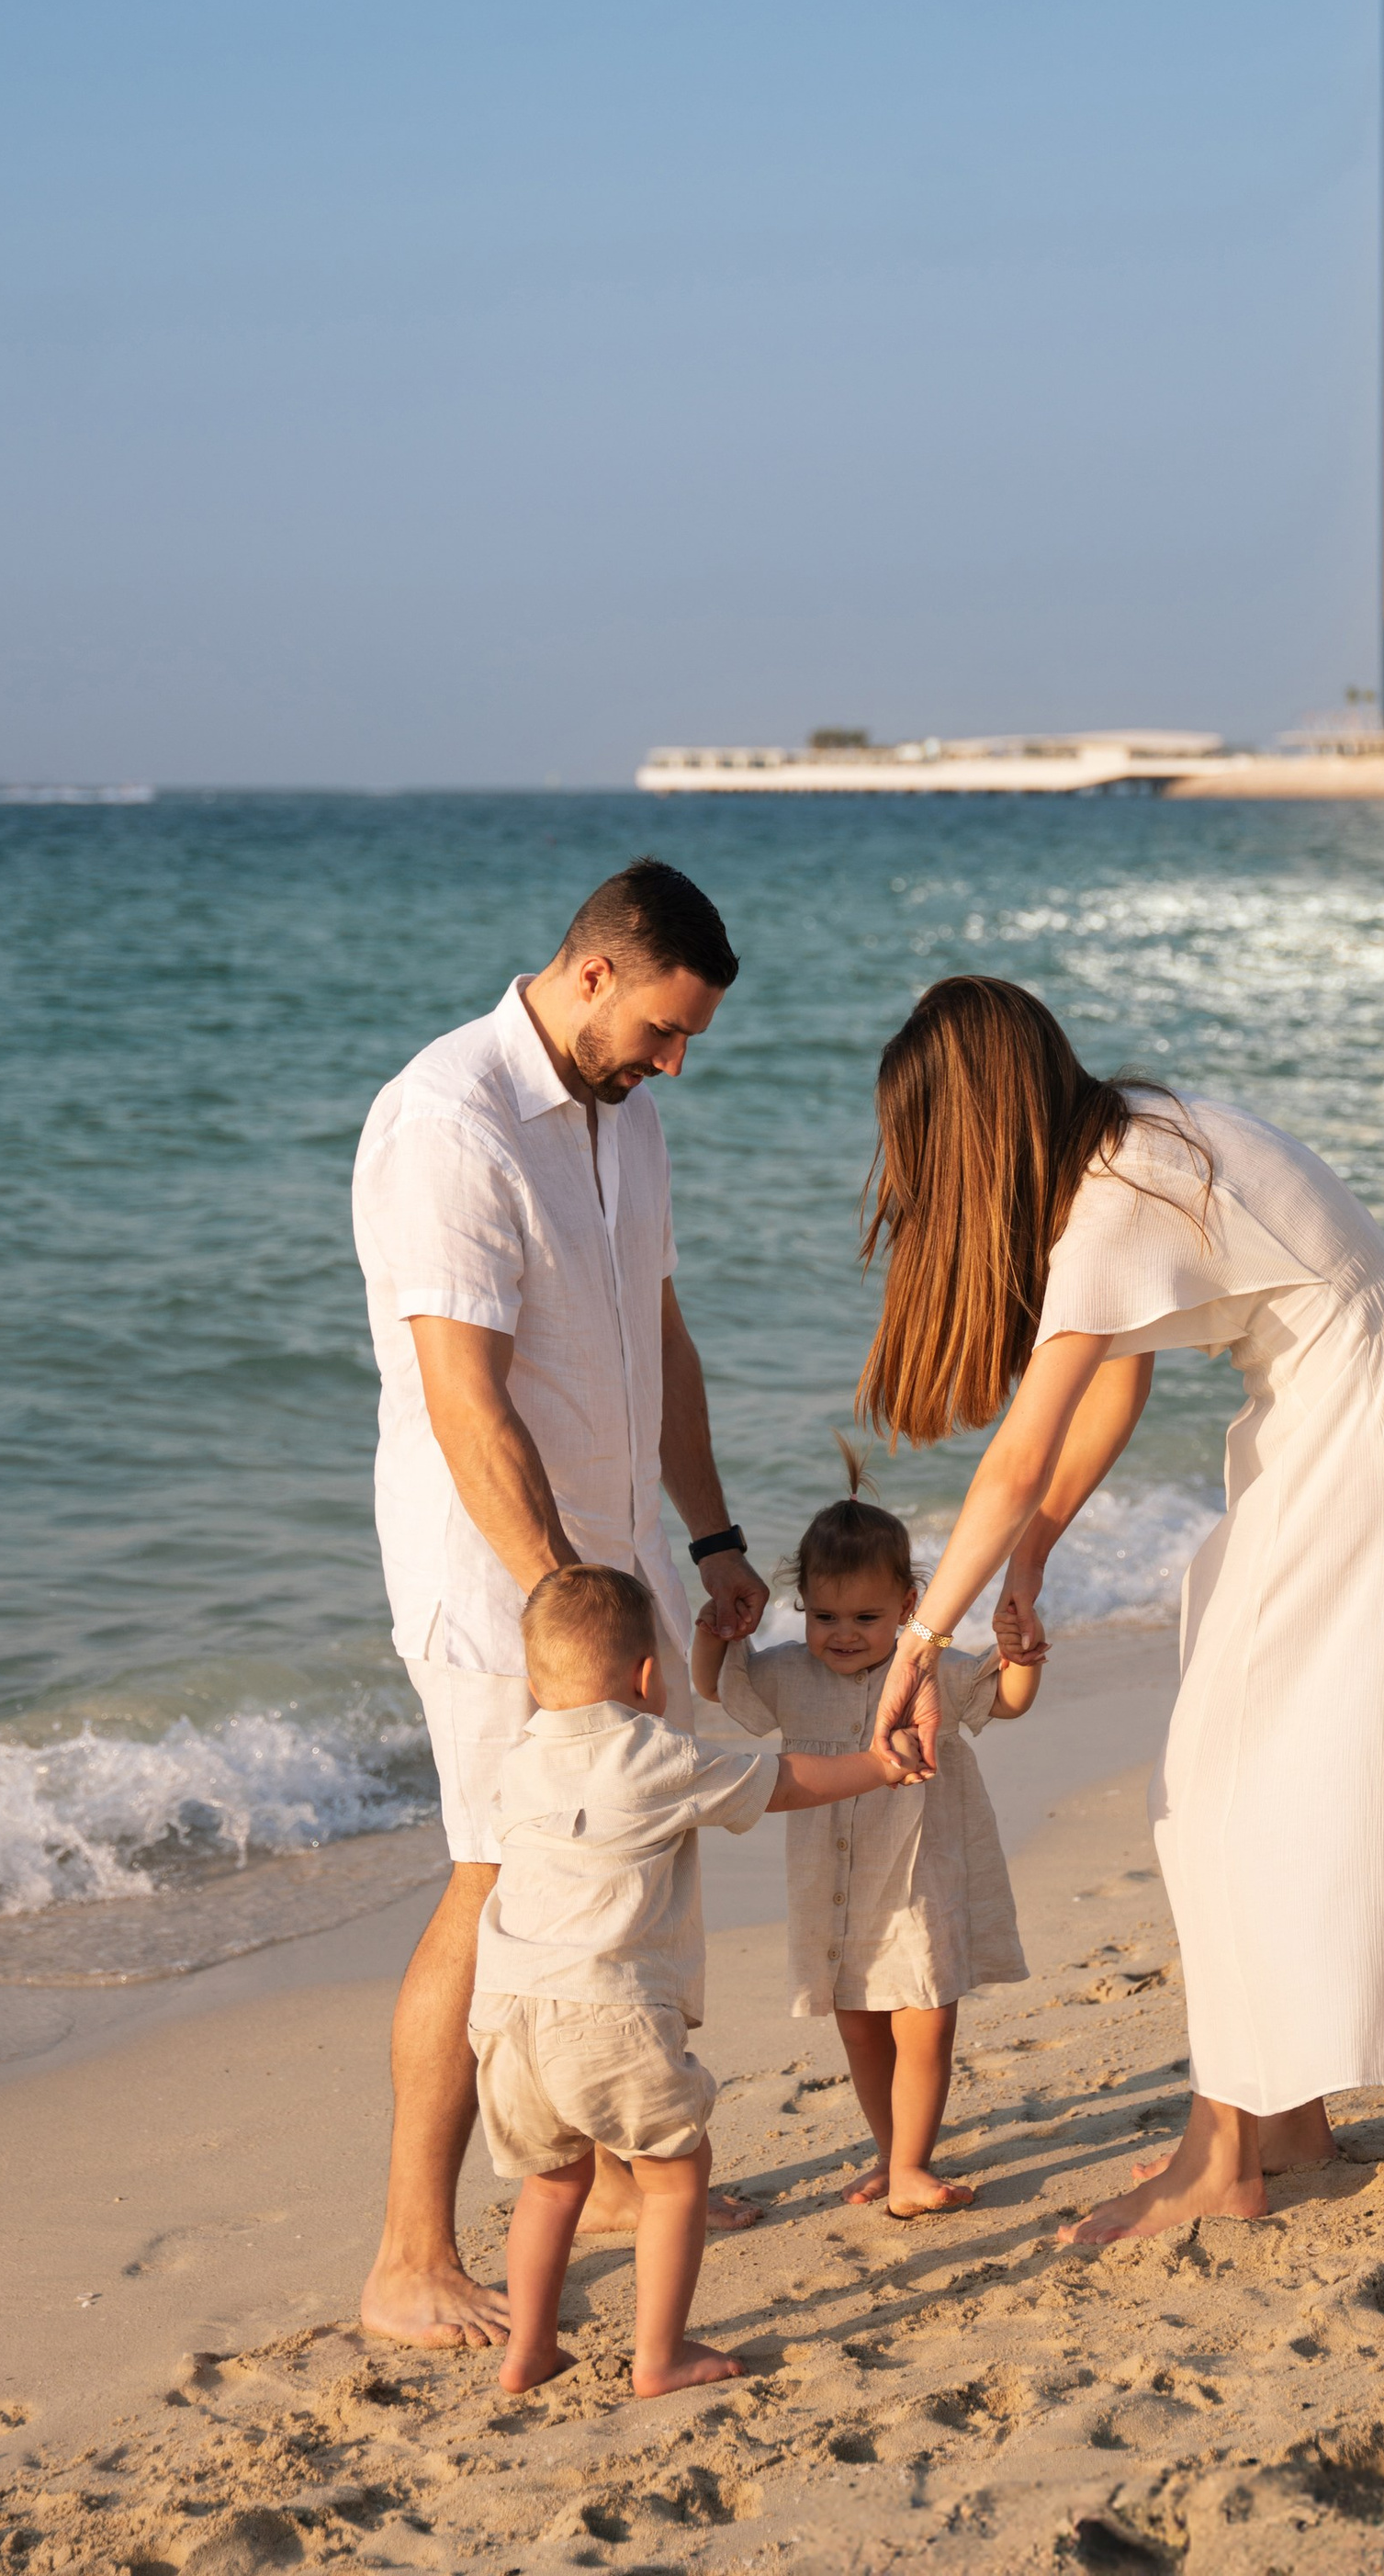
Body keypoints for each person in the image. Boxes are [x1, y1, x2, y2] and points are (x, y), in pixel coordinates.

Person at [861, 976, 1384, 2248]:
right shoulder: (1131, 1143)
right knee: (1249, 1778)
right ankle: (1281, 2116)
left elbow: (1017, 1454)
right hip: (1353, 1424)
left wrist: (921, 1639)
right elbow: (1109, 1398)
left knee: (1218, 1787)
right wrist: (1031, 1562)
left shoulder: (1116, 1199)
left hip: (1351, 1444)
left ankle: (1221, 2154)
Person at [350, 857, 773, 2351]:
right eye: (663, 1028)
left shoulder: (629, 1119)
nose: (671, 1063)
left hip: (620, 1555)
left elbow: (657, 1331)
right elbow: (467, 1402)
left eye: (688, 1043)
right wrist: (557, 1610)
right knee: (498, 1876)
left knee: (637, 1859)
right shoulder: (448, 1120)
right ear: (593, 970)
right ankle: (408, 2253)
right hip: (500, 1577)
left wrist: (708, 1534)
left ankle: (599, 2175)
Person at [478, 1562, 917, 2398]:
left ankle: (528, 2346)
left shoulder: (518, 1761)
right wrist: (878, 1766)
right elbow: (781, 1780)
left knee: (552, 2179)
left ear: (535, 1680)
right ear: (648, 1678)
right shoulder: (650, 1752)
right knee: (677, 2174)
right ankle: (659, 2355)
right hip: (606, 2008)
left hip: (503, 2013)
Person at [695, 1446, 1041, 2220]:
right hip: (837, 1892)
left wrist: (1022, 1653)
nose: (842, 1634)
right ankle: (893, 2155)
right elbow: (719, 1685)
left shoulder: (931, 1669)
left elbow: (1007, 1701)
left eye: (865, 1617)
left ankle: (913, 2163)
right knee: (858, 2026)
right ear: (802, 1608)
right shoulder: (790, 1671)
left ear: (912, 1605)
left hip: (920, 1878)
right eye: (824, 1616)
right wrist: (714, 1629)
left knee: (925, 2020)